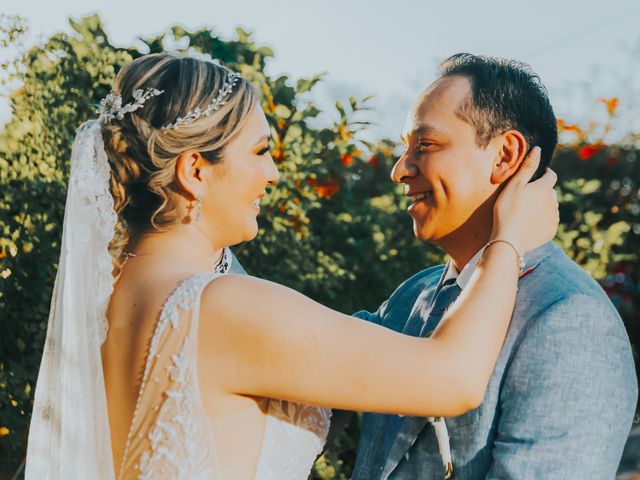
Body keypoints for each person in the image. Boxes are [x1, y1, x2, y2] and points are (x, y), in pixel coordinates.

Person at [25, 53, 558, 480]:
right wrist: (509, 237)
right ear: (194, 171)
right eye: (259, 151)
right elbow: (456, 379)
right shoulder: (221, 308)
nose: (273, 174)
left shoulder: (108, 294)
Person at [351, 53, 638, 480]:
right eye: (404, 148)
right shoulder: (412, 295)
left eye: (424, 146)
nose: (399, 170)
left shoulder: (571, 318)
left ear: (505, 155)